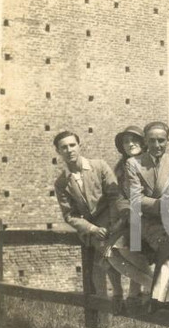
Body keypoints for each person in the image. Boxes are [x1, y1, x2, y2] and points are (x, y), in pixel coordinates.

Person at [52, 131, 124, 305]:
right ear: (58, 152)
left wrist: (114, 224)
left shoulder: (99, 166)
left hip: (113, 219)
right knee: (105, 251)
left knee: (130, 247)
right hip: (91, 227)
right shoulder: (62, 182)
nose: (69, 150)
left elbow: (115, 196)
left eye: (72, 145)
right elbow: (70, 215)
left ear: (79, 146)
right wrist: (91, 229)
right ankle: (116, 293)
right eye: (64, 147)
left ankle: (144, 289)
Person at [125, 121, 169, 313]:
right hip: (145, 222)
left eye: (161, 140)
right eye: (152, 141)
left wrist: (152, 201)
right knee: (167, 245)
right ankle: (164, 299)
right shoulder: (134, 164)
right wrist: (161, 204)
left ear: (168, 141)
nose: (157, 145)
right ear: (145, 141)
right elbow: (135, 199)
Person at [103, 125, 154, 313]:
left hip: (149, 217)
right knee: (111, 254)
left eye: (134, 140)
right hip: (130, 219)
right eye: (126, 141)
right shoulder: (121, 168)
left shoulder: (149, 164)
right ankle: (151, 286)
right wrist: (125, 214)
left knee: (121, 248)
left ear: (143, 142)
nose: (130, 144)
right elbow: (120, 198)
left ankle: (139, 293)